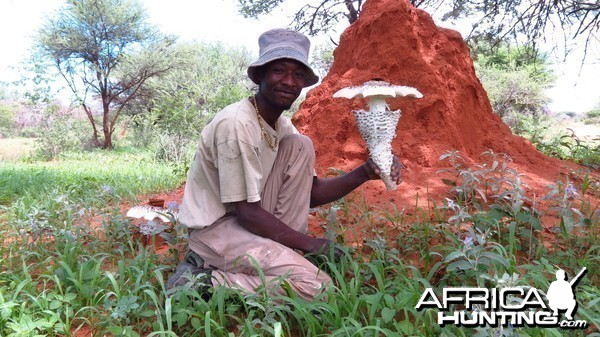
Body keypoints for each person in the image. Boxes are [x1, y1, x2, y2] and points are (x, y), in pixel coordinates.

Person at [167, 28, 402, 301]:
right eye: (279, 71)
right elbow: (246, 211)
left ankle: (270, 259)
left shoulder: (282, 125)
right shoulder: (236, 124)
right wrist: (310, 244)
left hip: (250, 220)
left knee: (301, 144)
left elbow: (310, 194)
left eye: (298, 75)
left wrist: (365, 172)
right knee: (317, 287)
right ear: (261, 75)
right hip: (218, 230)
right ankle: (204, 280)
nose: (289, 81)